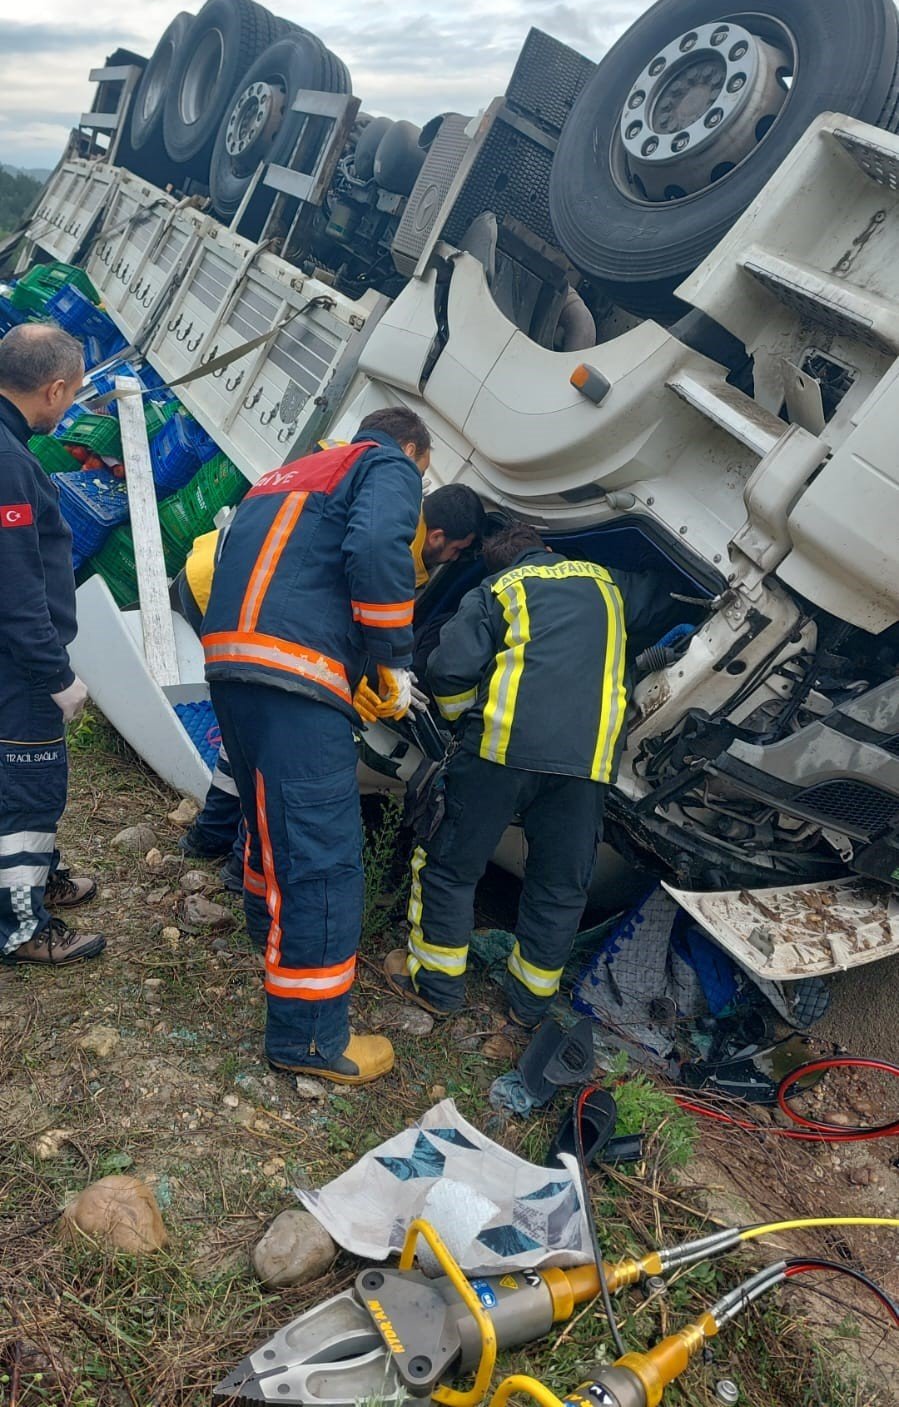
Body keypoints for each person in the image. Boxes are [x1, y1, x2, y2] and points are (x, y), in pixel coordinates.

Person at [203, 405, 432, 1085]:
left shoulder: (285, 473)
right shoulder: (386, 463)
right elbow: (374, 548)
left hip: (232, 665)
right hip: (297, 678)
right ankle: (309, 1038)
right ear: (414, 448)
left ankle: (265, 939)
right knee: (324, 861)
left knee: (267, 825)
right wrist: (391, 659)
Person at [384, 522, 665, 1027]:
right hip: (587, 764)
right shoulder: (607, 583)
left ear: (501, 563)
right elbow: (665, 595)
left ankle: (437, 986)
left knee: (450, 864)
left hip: (500, 750)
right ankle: (529, 1005)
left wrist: (462, 719)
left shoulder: (494, 590)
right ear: (549, 548)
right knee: (559, 887)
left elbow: (448, 671)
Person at [178, 482, 487, 887]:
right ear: (438, 536)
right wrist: (368, 681)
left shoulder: (396, 521)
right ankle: (243, 870)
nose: (454, 559)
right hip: (234, 599)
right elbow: (334, 615)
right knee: (278, 748)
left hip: (228, 583)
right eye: (457, 550)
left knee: (249, 733)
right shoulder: (392, 550)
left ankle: (210, 836)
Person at [0, 324, 105, 966]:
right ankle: (21, 925)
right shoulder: (11, 466)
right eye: (72, 397)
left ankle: (42, 873)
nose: (70, 409)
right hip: (17, 668)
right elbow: (15, 587)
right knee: (30, 788)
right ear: (54, 389)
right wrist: (54, 674)